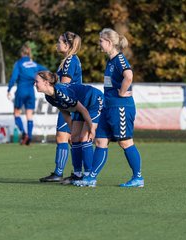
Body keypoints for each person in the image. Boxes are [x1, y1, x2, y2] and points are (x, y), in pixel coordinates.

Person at [75, 28, 144, 188]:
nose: (99, 44)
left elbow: (129, 76)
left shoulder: (120, 60)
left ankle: (138, 177)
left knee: (125, 142)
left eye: (101, 41)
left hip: (120, 108)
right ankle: (91, 177)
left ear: (109, 42)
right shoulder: (111, 61)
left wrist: (121, 92)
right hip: (108, 107)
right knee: (100, 141)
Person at [35, 71, 103, 181]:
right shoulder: (49, 97)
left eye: (37, 81)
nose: (35, 84)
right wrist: (72, 130)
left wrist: (92, 128)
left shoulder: (62, 93)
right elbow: (64, 112)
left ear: (46, 82)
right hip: (82, 105)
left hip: (93, 101)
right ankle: (77, 174)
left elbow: (83, 110)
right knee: (75, 137)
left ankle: (88, 175)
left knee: (84, 138)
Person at [39, 31, 85, 183]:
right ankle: (71, 172)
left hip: (69, 104)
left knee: (66, 137)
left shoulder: (70, 61)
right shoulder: (69, 59)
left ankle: (70, 173)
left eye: (59, 42)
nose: (57, 44)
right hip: (70, 104)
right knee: (67, 137)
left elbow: (65, 86)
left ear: (67, 45)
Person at [7, 42, 47, 145]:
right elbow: (46, 71)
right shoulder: (34, 64)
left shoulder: (19, 63)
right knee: (29, 115)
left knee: (16, 113)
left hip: (21, 90)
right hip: (31, 91)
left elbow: (13, 78)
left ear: (21, 53)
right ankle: (29, 135)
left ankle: (24, 133)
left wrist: (9, 89)